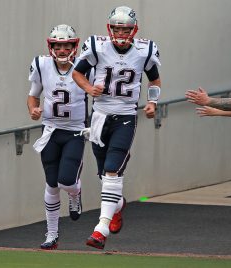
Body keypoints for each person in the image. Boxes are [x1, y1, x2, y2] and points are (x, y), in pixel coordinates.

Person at [72, 6, 161, 250]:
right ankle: (117, 205)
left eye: (126, 29)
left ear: (134, 30)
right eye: (117, 28)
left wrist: (152, 102)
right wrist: (89, 89)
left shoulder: (145, 50)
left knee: (112, 171)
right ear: (110, 29)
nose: (121, 33)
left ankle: (100, 229)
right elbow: (78, 73)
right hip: (100, 117)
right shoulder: (97, 46)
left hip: (125, 117)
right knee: (103, 174)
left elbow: (154, 79)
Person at [27, 24, 86, 250]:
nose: (62, 50)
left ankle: (75, 193)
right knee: (52, 183)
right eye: (58, 45)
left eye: (66, 45)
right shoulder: (42, 65)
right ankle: (51, 235)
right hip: (50, 130)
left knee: (66, 180)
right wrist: (33, 110)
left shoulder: (84, 66)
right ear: (51, 46)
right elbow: (33, 96)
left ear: (74, 46)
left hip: (74, 131)